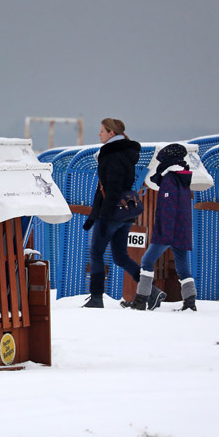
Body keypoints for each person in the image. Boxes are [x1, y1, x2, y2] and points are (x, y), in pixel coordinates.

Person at [81, 118, 161, 308]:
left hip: (112, 213)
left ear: (111, 133)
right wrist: (94, 216)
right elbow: (106, 187)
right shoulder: (124, 153)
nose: (98, 134)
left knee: (96, 253)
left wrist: (104, 216)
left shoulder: (113, 155)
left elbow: (113, 188)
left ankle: (96, 298)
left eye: (101, 131)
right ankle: (153, 292)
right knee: (120, 256)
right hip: (125, 213)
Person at [129, 143, 196, 311]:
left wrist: (165, 232)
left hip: (169, 230)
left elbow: (168, 208)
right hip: (183, 229)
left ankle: (141, 299)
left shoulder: (169, 179)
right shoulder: (183, 178)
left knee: (147, 261)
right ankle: (190, 302)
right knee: (182, 266)